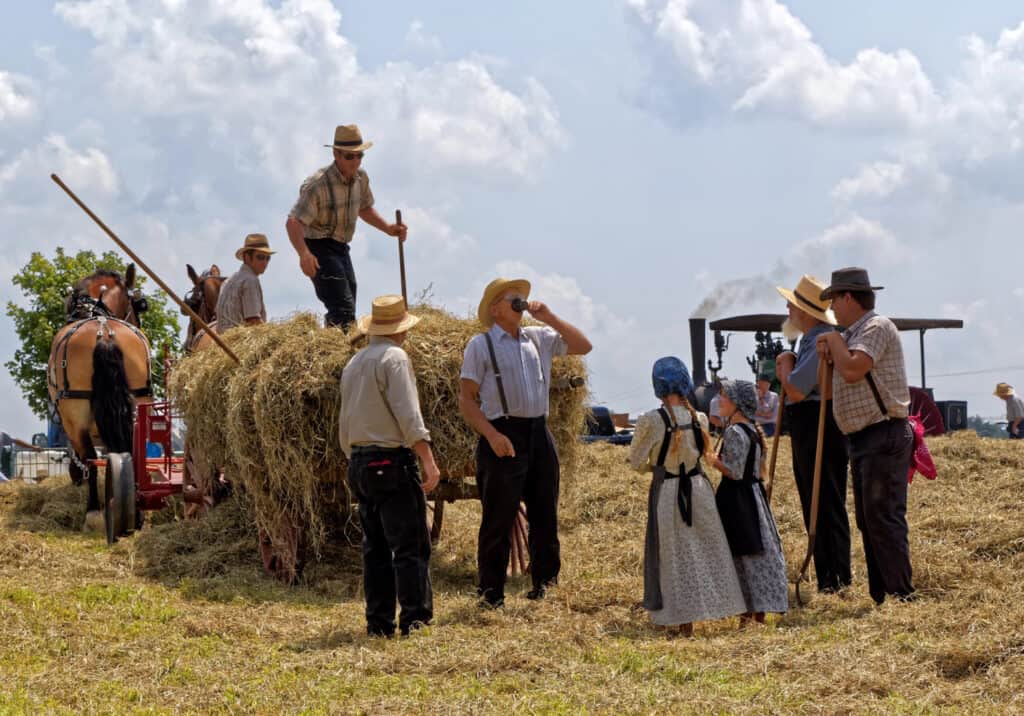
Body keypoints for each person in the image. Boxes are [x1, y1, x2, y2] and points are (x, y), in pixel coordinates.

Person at [458, 277, 592, 606]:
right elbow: (466, 399)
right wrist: (491, 435)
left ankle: (546, 584)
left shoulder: (539, 337)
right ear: (495, 309)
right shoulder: (481, 345)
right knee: (499, 517)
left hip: (537, 431)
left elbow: (583, 345)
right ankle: (491, 594)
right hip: (503, 431)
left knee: (545, 511)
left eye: (521, 297)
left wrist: (549, 317)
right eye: (512, 298)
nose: (520, 302)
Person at [339, 295, 441, 637]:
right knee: (410, 544)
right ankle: (415, 620)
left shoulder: (353, 364)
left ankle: (378, 623)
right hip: (391, 461)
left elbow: (344, 423)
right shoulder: (395, 358)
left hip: (359, 462)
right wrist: (428, 461)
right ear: (399, 331)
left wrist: (355, 458)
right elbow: (409, 415)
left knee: (376, 547)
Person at [816, 267, 915, 604]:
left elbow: (855, 369)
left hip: (883, 433)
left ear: (847, 297)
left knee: (883, 516)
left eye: (833, 300)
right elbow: (835, 380)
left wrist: (832, 341)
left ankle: (900, 593)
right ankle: (882, 595)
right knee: (868, 519)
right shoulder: (851, 334)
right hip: (862, 438)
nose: (832, 308)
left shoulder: (875, 326)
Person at [628, 357, 746, 637]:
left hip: (668, 489)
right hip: (698, 488)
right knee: (708, 549)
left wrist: (655, 468)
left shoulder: (651, 420)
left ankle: (680, 619)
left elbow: (635, 461)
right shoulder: (700, 417)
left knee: (672, 552)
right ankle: (718, 607)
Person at [286, 125, 407, 330]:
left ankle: (336, 345)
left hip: (342, 247)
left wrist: (387, 228)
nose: (356, 161)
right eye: (350, 157)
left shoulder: (361, 178)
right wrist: (304, 254)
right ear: (336, 154)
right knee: (342, 307)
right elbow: (293, 222)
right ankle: (337, 354)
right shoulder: (317, 184)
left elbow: (365, 208)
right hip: (318, 246)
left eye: (359, 156)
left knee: (348, 300)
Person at [774, 275, 852, 593]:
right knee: (817, 499)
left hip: (818, 425)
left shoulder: (819, 339)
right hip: (811, 423)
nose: (788, 311)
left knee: (822, 499)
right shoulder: (810, 340)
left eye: (791, 306)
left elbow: (794, 390)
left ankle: (834, 579)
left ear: (805, 311)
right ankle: (830, 576)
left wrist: (783, 367)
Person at [712, 379, 789, 624]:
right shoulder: (752, 430)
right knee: (753, 552)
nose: (719, 401)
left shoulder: (734, 431)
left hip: (737, 500)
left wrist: (711, 459)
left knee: (741, 552)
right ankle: (757, 614)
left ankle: (747, 614)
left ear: (737, 404)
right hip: (753, 496)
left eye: (725, 396)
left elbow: (733, 471)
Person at [215, 234, 273, 332]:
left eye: (268, 258)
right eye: (260, 257)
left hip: (222, 339)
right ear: (247, 257)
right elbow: (253, 321)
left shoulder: (227, 281)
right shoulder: (250, 280)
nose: (265, 262)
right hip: (240, 340)